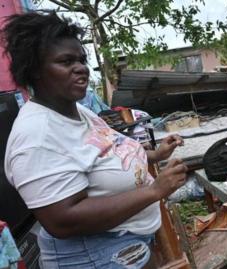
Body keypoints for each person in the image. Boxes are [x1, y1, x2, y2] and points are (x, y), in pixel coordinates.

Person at [2, 11, 188, 268]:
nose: (80, 68)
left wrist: (154, 155)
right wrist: (154, 191)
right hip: (95, 255)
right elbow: (63, 219)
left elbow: (107, 151)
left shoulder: (76, 110)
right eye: (66, 62)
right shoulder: (36, 137)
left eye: (81, 59)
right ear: (34, 70)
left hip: (123, 242)